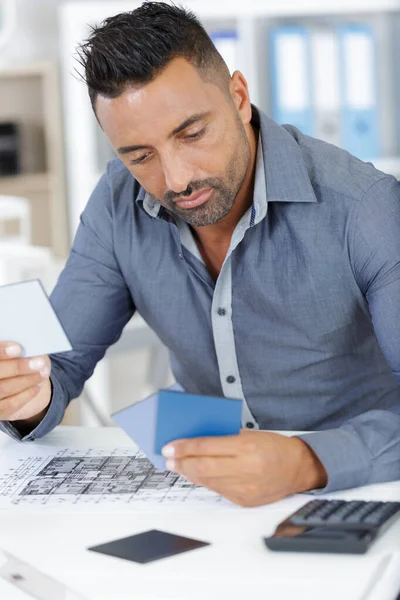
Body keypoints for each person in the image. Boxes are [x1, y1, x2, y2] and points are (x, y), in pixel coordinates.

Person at [0, 2, 399, 507]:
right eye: (140, 155)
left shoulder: (366, 208)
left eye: (191, 134)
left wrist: (306, 460)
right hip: (204, 494)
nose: (177, 179)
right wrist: (28, 399)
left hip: (358, 490)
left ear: (237, 96)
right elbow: (57, 368)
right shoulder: (117, 202)